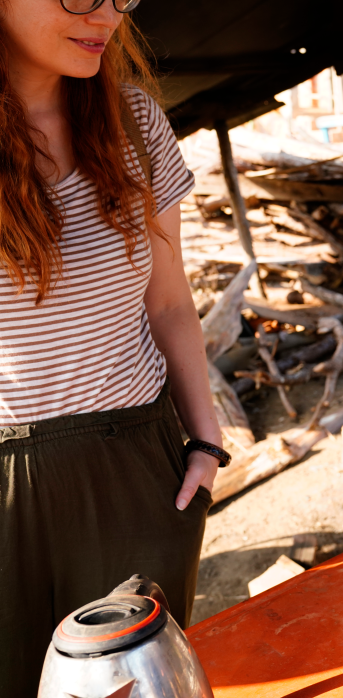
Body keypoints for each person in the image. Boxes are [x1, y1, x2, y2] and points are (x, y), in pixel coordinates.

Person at [0, 0, 222, 693]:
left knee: (140, 685)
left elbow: (169, 299)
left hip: (137, 465)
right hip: (7, 480)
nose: (108, 14)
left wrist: (206, 442)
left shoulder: (135, 121)